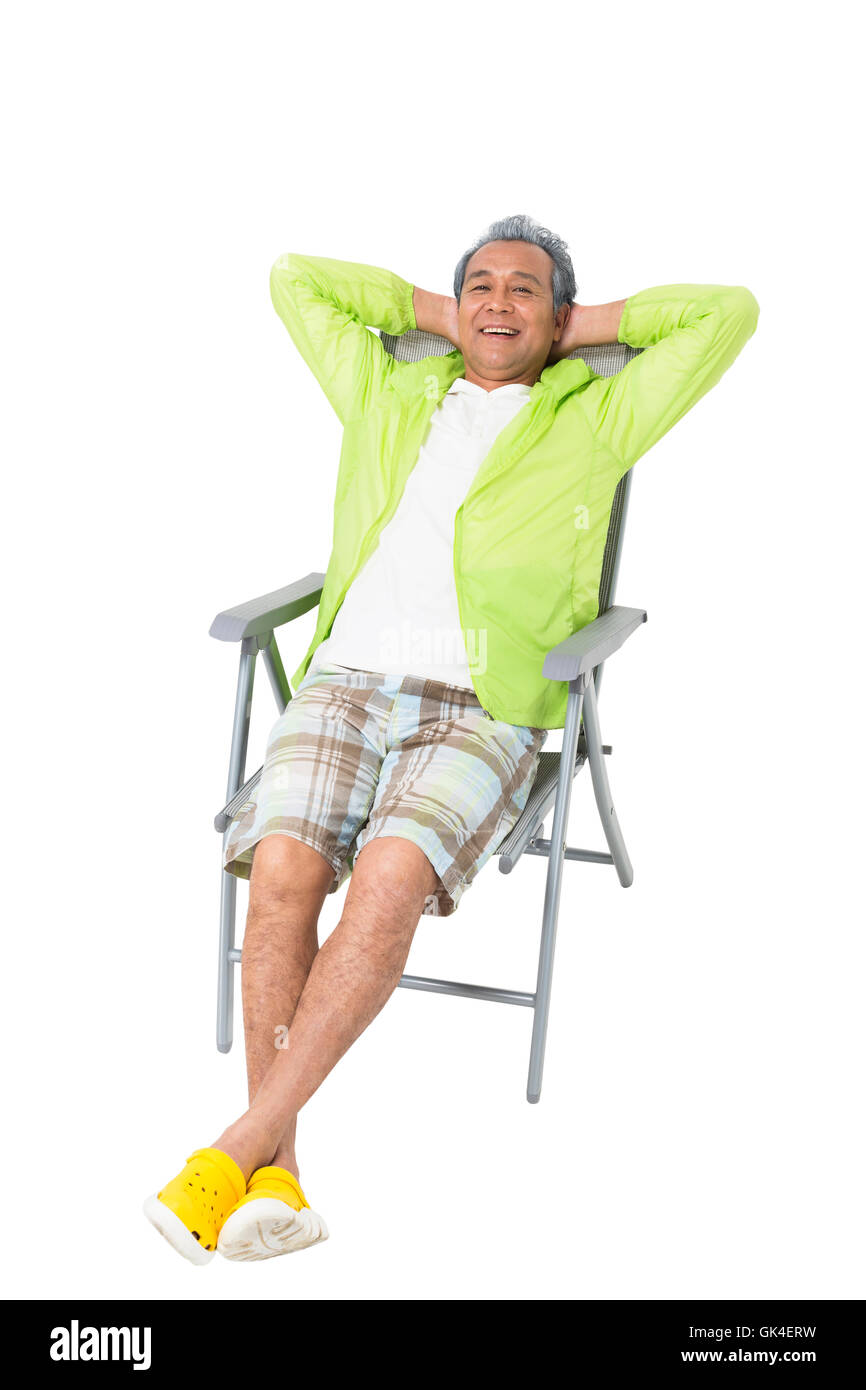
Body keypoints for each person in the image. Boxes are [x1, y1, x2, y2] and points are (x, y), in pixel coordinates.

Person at [144, 214, 759, 1264]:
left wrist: (576, 329)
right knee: (284, 870)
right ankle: (278, 1180)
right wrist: (447, 315)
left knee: (384, 879)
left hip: (480, 700)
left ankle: (238, 1143)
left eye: (524, 289)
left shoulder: (600, 414)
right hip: (343, 681)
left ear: (557, 314)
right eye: (480, 285)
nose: (497, 301)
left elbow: (725, 313)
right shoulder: (385, 390)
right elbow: (296, 278)